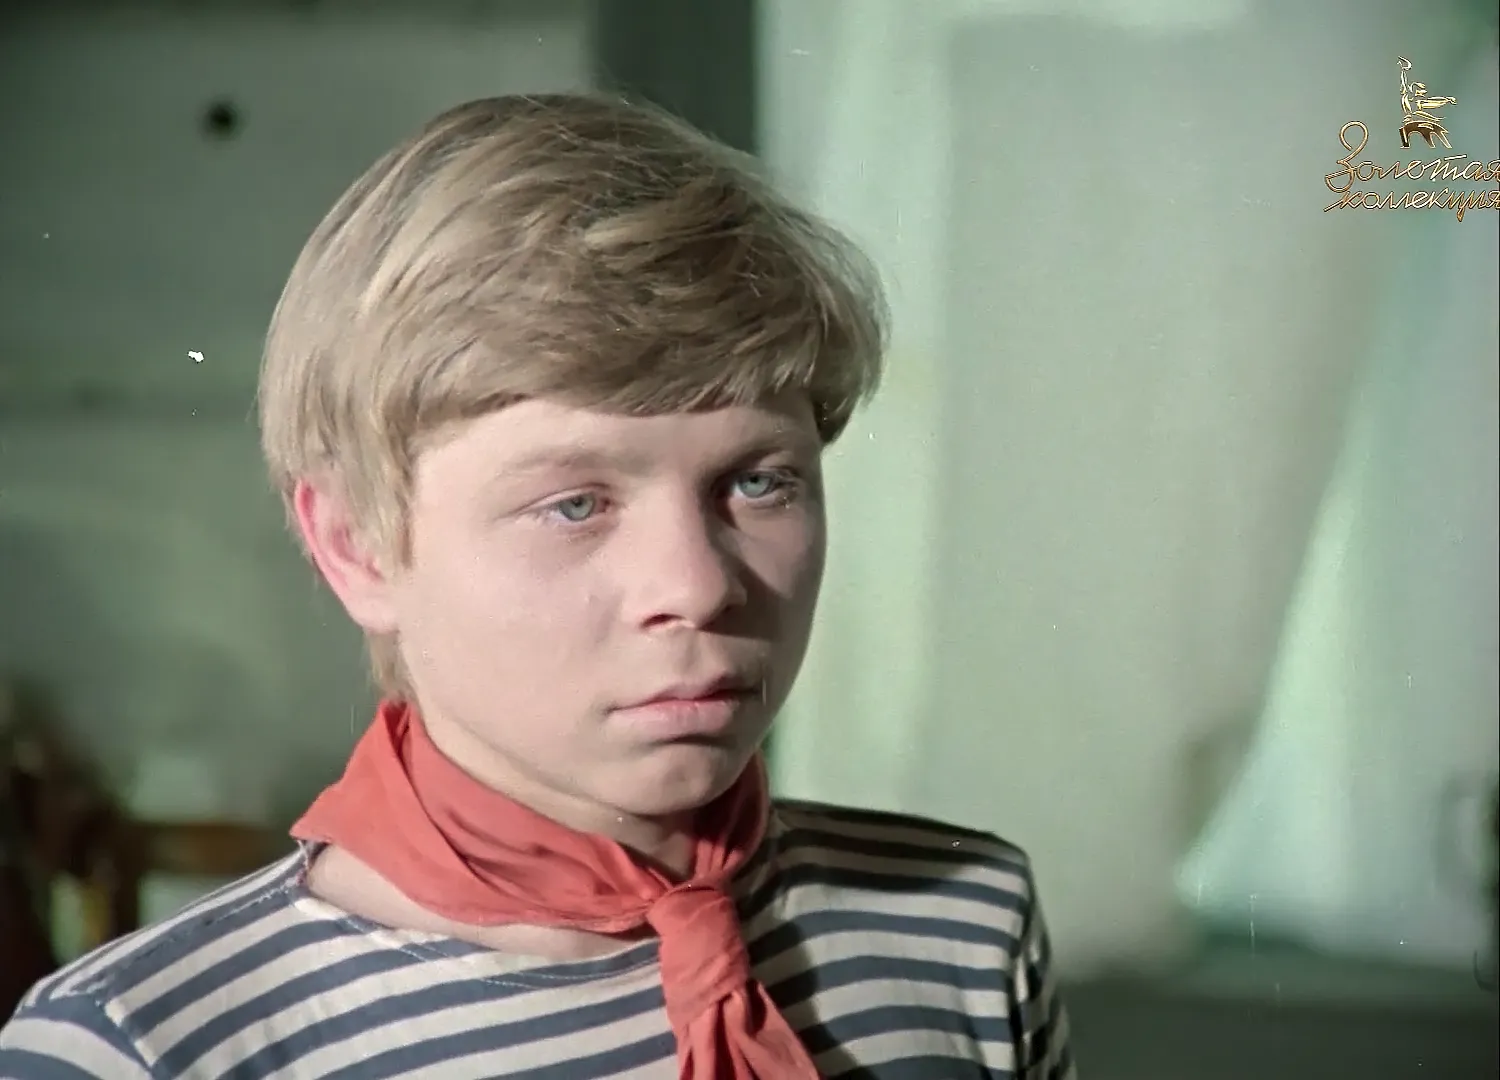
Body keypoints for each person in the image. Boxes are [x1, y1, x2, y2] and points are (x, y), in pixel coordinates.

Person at [0, 94, 1076, 1079]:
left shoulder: (962, 927)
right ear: (357, 547)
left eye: (759, 482)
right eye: (574, 504)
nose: (696, 585)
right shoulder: (148, 1047)